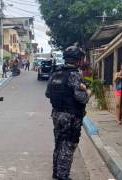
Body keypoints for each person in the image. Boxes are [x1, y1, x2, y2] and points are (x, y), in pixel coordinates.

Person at [45, 45, 91, 180]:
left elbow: (48, 93)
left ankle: (56, 172)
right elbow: (81, 98)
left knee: (59, 142)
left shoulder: (56, 73)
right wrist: (87, 92)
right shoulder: (75, 75)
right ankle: (62, 175)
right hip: (71, 116)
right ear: (78, 60)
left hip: (57, 114)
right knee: (69, 144)